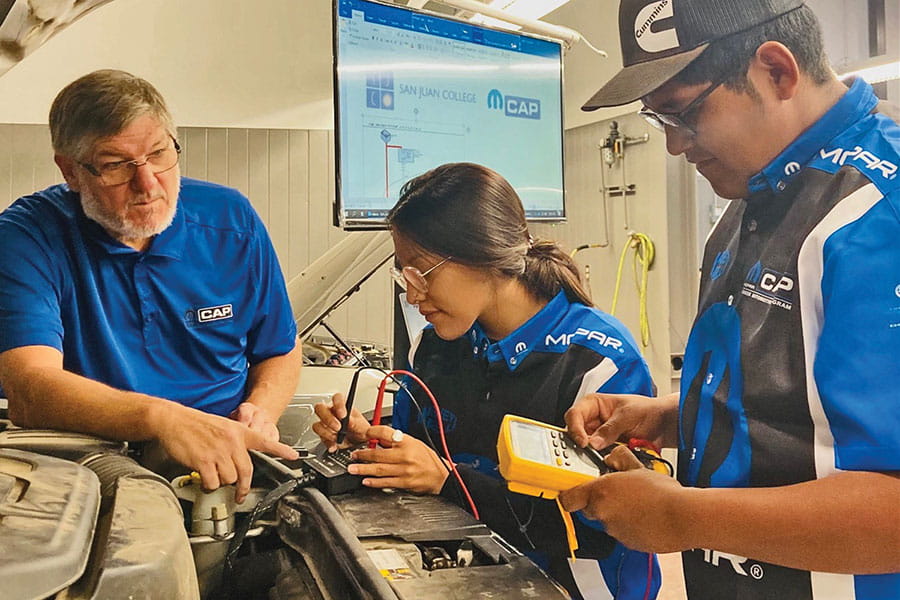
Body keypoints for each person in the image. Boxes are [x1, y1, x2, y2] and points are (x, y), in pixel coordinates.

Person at [558, 1, 900, 599]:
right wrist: (667, 415)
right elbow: (800, 403)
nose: (674, 147)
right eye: (660, 121)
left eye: (685, 114)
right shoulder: (750, 201)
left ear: (776, 71)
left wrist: (684, 517)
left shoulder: (877, 215)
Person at [313, 162, 661, 599]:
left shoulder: (599, 364)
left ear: (484, 253)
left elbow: (600, 533)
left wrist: (448, 480)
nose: (412, 292)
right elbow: (417, 458)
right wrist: (373, 445)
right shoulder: (436, 346)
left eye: (422, 271)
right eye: (402, 273)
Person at [0, 70, 301, 502]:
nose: (148, 185)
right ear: (70, 170)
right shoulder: (26, 237)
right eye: (116, 166)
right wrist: (164, 419)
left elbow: (278, 348)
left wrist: (261, 411)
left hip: (226, 463)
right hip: (88, 469)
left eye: (159, 154)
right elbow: (30, 388)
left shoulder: (231, 219)